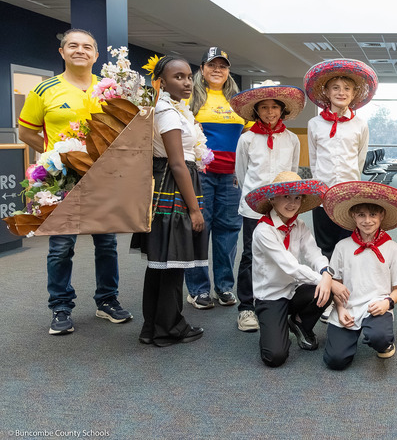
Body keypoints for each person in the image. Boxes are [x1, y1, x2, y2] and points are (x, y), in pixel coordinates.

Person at [18, 28, 132, 335]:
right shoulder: (44, 90)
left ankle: (107, 301)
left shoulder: (110, 90)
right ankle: (60, 306)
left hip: (103, 176)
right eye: (73, 45)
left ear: (96, 55)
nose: (79, 50)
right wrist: (53, 154)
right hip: (62, 178)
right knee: (60, 247)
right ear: (62, 52)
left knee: (106, 244)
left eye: (86, 46)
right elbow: (26, 132)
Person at [131, 55, 206, 347]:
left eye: (188, 76)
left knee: (160, 264)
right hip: (173, 185)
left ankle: (152, 327)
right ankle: (170, 328)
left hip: (170, 184)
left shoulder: (172, 108)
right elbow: (177, 163)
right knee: (173, 263)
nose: (186, 82)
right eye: (178, 77)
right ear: (161, 81)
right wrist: (195, 209)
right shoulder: (167, 112)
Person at [245, 172, 347, 367]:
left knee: (325, 289)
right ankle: (274, 324)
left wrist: (326, 273)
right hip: (271, 296)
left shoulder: (299, 225)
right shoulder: (263, 231)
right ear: (272, 199)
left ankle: (300, 322)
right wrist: (330, 282)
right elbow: (291, 267)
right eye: (286, 197)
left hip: (293, 290)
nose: (292, 203)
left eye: (297, 198)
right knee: (274, 357)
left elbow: (314, 254)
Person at [229, 82, 305, 332]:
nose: (270, 112)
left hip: (283, 207)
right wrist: (253, 198)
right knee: (251, 254)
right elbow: (241, 173)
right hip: (254, 208)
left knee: (286, 250)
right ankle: (247, 307)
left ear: (282, 110)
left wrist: (288, 202)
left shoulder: (292, 139)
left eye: (274, 107)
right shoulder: (247, 139)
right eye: (264, 107)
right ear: (256, 111)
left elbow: (292, 173)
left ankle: (281, 298)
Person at [321, 181, 397, 369]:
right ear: (353, 216)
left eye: (373, 214)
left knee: (379, 338)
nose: (367, 220)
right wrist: (339, 308)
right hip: (348, 307)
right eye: (361, 215)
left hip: (376, 306)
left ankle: (384, 341)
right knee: (335, 361)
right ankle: (345, 339)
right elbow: (336, 283)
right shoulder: (342, 247)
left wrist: (387, 302)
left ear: (382, 215)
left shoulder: (392, 248)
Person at [184, 47, 247, 310]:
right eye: (212, 65)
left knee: (228, 232)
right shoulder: (190, 99)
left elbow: (251, 136)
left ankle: (224, 286)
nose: (217, 70)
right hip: (202, 175)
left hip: (232, 176)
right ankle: (198, 290)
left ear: (228, 70)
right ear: (202, 68)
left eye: (222, 65)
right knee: (199, 228)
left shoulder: (240, 101)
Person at [304, 59, 377, 260]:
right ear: (326, 92)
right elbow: (313, 159)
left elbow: (360, 159)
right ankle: (328, 288)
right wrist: (319, 184)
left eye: (347, 88)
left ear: (353, 94)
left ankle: (348, 289)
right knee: (324, 246)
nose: (341, 92)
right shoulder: (314, 124)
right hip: (323, 195)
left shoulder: (360, 125)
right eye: (335, 88)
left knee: (349, 244)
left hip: (350, 195)